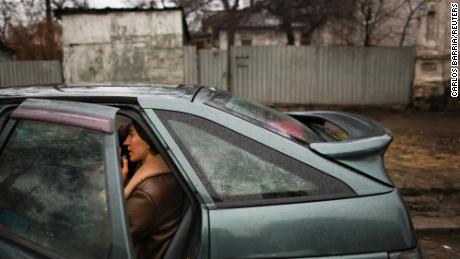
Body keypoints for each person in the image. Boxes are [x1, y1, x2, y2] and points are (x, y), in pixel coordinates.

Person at [121, 122, 184, 259]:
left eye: (131, 135)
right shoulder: (161, 172)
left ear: (148, 140)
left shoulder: (148, 192)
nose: (126, 142)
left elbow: (114, 238)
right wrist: (124, 181)